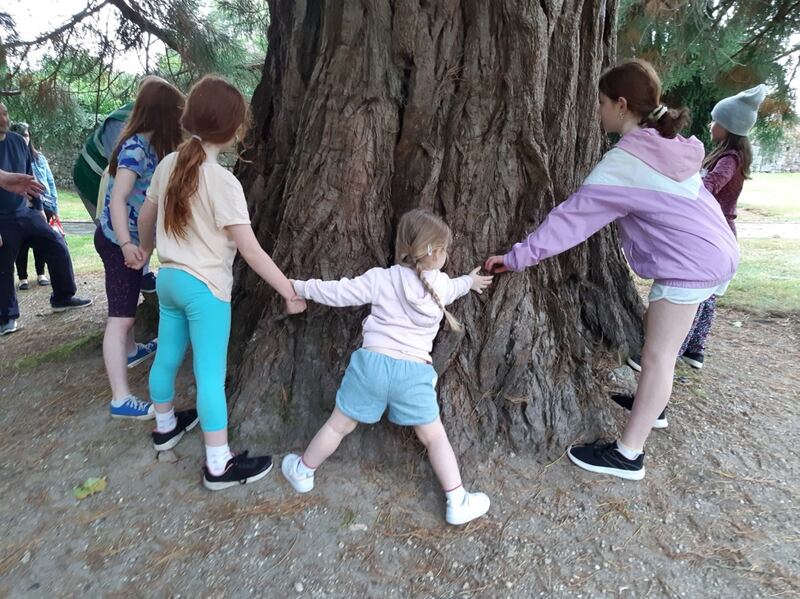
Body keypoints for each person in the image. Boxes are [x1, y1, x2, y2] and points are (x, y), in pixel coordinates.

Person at [485, 59, 739, 481]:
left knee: (657, 358)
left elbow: (570, 220)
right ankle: (652, 407)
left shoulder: (626, 163)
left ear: (622, 105)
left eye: (602, 102)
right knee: (661, 348)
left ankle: (628, 455)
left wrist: (517, 257)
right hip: (713, 251)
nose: (597, 110)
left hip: (691, 263)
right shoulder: (668, 144)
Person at [136, 75, 306, 490]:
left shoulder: (168, 164)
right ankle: (218, 464)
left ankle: (164, 427)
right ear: (234, 130)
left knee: (166, 356)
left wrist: (142, 249)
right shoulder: (224, 182)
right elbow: (251, 251)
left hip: (169, 278)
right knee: (209, 375)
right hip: (206, 290)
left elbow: (145, 216)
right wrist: (289, 290)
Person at [282, 209, 494, 526]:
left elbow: (338, 292)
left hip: (371, 367)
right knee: (435, 438)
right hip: (414, 374)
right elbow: (458, 286)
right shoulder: (441, 285)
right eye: (445, 249)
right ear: (435, 252)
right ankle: (457, 499)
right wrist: (471, 281)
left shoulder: (381, 278)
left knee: (338, 426)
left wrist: (299, 287)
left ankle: (303, 471)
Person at [94, 78, 184, 419]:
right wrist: (127, 243)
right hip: (117, 241)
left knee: (127, 303)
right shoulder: (135, 149)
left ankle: (131, 350)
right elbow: (117, 199)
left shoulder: (150, 148)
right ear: (164, 116)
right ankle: (120, 398)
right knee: (120, 318)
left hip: (127, 242)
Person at [0, 102, 91, 337]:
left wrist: (39, 208)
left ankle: (63, 297)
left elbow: (29, 178)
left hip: (25, 212)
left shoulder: (18, 142)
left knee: (56, 243)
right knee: (3, 261)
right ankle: (7, 317)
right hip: (2, 219)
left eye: (5, 113)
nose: (4, 118)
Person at [10, 122, 58, 289]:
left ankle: (41, 274)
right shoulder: (9, 158)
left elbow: (50, 182)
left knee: (41, 240)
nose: (24, 139)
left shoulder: (39, 158)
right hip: (19, 206)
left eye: (26, 135)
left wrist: (54, 207)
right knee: (21, 243)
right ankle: (22, 277)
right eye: (21, 136)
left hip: (43, 204)